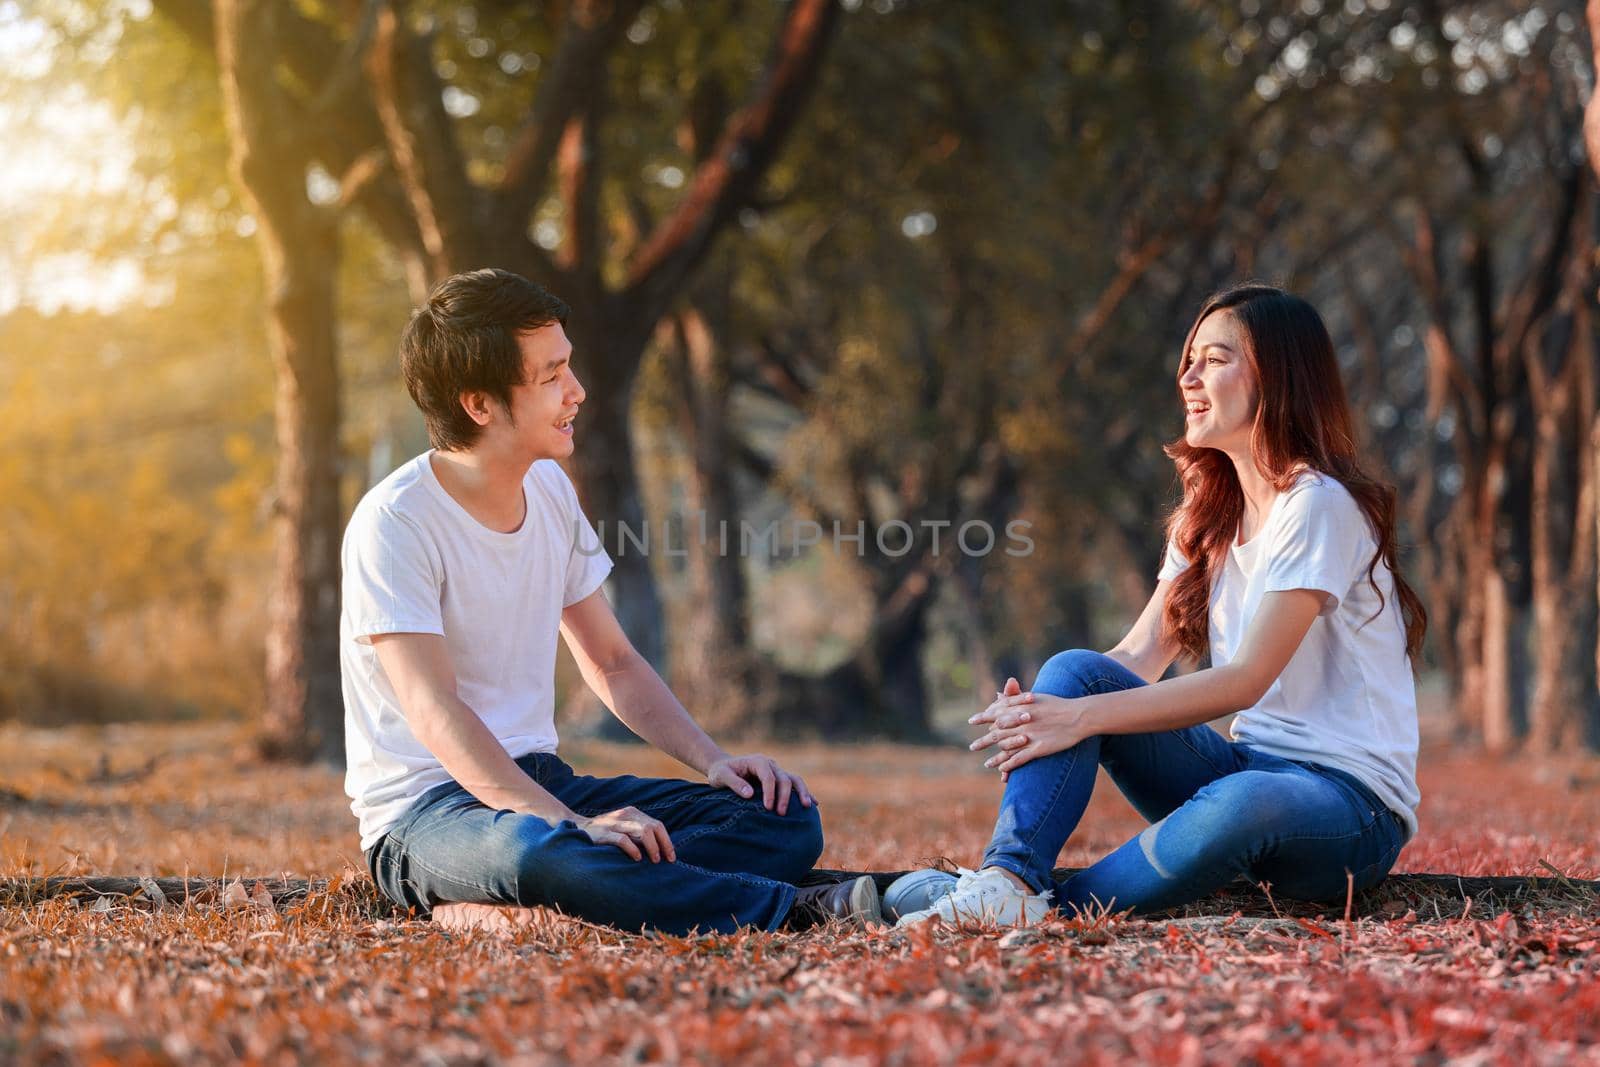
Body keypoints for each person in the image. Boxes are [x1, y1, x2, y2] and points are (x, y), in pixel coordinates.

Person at [343, 268, 881, 934]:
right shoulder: (395, 522)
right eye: (551, 377)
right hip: (429, 813)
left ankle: (562, 899)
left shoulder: (550, 491)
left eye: (569, 368)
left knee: (783, 816)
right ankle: (794, 911)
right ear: (480, 404)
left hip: (542, 779)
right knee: (537, 850)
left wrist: (714, 761)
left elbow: (614, 662)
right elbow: (434, 708)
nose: (577, 392)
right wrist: (570, 824)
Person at [896, 283, 1426, 926]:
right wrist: (1050, 709)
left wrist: (1083, 719)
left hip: (1348, 807)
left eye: (1216, 359)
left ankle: (1019, 907)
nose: (1189, 378)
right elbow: (1136, 656)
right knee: (1072, 671)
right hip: (1244, 768)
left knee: (1238, 800)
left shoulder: (1316, 504)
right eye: (1190, 360)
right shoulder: (1208, 516)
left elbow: (1246, 681)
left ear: (1279, 376)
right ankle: (1007, 878)